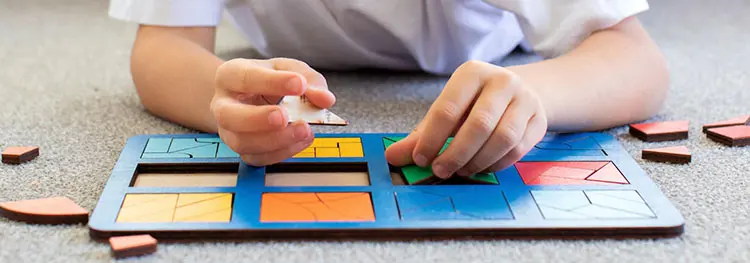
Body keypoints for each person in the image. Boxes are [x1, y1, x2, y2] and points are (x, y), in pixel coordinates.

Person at [108, 0, 668, 178]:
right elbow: (161, 49)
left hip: (491, 50)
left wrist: (535, 94)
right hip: (291, 60)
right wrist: (219, 94)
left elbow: (633, 58)